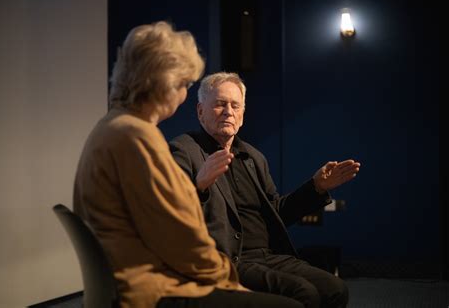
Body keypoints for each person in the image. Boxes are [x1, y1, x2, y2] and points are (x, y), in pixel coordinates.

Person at [73, 22, 306, 308]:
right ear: (162, 82)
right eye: (184, 84)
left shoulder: (112, 126)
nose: (184, 93)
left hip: (133, 276)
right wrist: (229, 279)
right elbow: (179, 240)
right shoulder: (138, 137)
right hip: (153, 287)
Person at [169, 72, 361, 308]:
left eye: (235, 105)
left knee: (335, 289)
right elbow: (169, 213)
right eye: (220, 104)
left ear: (242, 115)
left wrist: (316, 188)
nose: (228, 111)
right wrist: (199, 184)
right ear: (201, 111)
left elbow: (277, 212)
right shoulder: (183, 150)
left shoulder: (253, 156)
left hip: (269, 256)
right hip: (228, 259)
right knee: (304, 293)